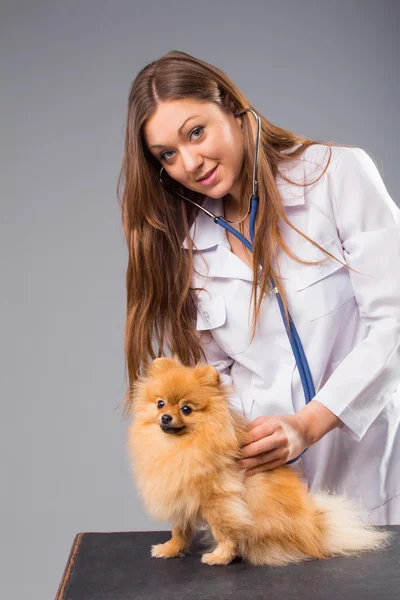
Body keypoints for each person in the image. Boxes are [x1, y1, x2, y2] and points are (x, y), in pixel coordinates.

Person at [117, 50, 400, 525]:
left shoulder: (337, 176)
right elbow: (213, 383)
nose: (190, 162)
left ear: (232, 107)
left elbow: (393, 323)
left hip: (374, 476)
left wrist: (308, 425)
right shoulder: (187, 249)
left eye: (195, 132)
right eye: (167, 154)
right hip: (270, 499)